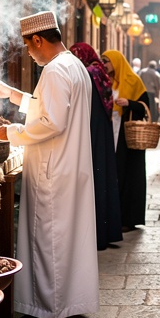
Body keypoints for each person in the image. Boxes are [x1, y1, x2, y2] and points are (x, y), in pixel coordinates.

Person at [0, 11, 98, 318]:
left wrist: (10, 132)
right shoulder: (73, 65)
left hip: (53, 169)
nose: (29, 54)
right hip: (69, 166)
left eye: (29, 47)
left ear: (38, 39)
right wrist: (12, 94)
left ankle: (50, 312)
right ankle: (66, 302)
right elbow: (50, 107)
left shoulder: (55, 70)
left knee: (49, 240)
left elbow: (51, 122)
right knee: (66, 240)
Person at [70, 42, 123, 251]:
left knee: (94, 180)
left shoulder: (89, 73)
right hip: (103, 132)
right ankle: (106, 232)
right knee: (103, 179)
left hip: (93, 130)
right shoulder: (99, 70)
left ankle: (96, 236)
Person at [102, 50, 151, 232]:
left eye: (107, 61)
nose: (104, 65)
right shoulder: (106, 81)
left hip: (128, 136)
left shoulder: (133, 81)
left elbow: (145, 107)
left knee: (129, 175)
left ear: (116, 62)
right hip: (112, 132)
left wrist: (129, 103)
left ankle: (129, 219)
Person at [138, 59, 160, 123]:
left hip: (143, 91)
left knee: (143, 106)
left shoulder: (142, 71)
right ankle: (151, 120)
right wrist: (158, 95)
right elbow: (158, 86)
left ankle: (142, 119)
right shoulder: (156, 74)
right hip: (151, 92)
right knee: (151, 108)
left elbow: (138, 81)